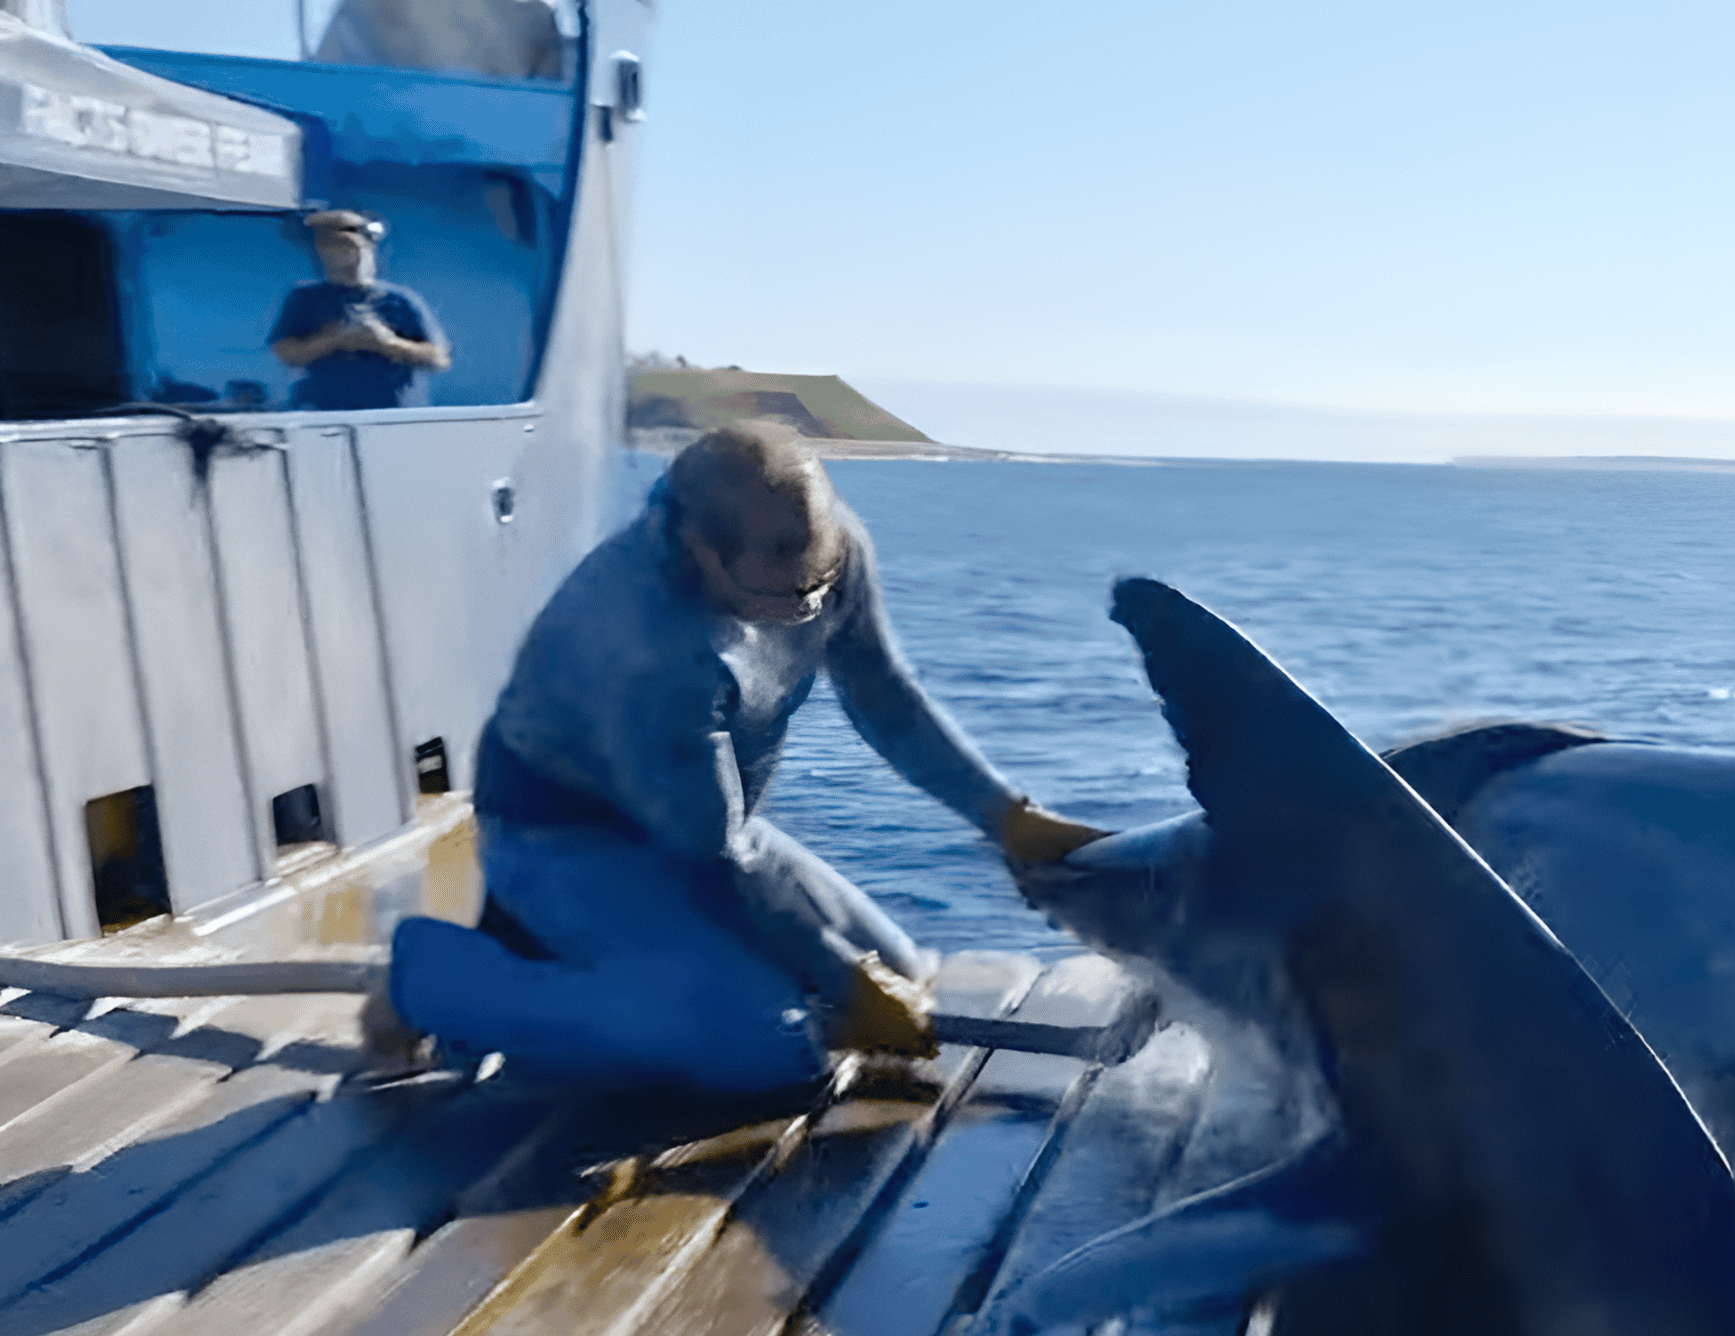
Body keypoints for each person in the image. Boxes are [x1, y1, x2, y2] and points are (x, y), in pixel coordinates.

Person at [377, 420, 1109, 1092]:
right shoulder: (647, 644)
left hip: (714, 823)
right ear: (698, 548)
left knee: (904, 975)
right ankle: (442, 978)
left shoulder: (826, 553)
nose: (811, 611)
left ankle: (602, 966)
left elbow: (883, 696)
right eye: (784, 597)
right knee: (767, 1046)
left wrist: (1008, 819)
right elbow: (713, 859)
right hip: (569, 838)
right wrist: (842, 976)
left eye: (820, 586)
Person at [267, 209, 450, 412]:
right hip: (324, 414)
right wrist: (334, 339)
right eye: (328, 244)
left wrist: (387, 343)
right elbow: (285, 353)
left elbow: (438, 359)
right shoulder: (304, 298)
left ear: (368, 246)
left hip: (393, 415)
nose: (338, 251)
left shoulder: (400, 300)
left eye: (347, 244)